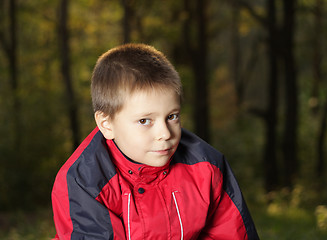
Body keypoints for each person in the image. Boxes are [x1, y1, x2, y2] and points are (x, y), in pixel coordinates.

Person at [51, 43, 260, 240]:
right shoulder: (85, 180)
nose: (165, 133)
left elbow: (233, 233)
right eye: (144, 120)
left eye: (172, 117)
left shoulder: (207, 167)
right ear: (107, 125)